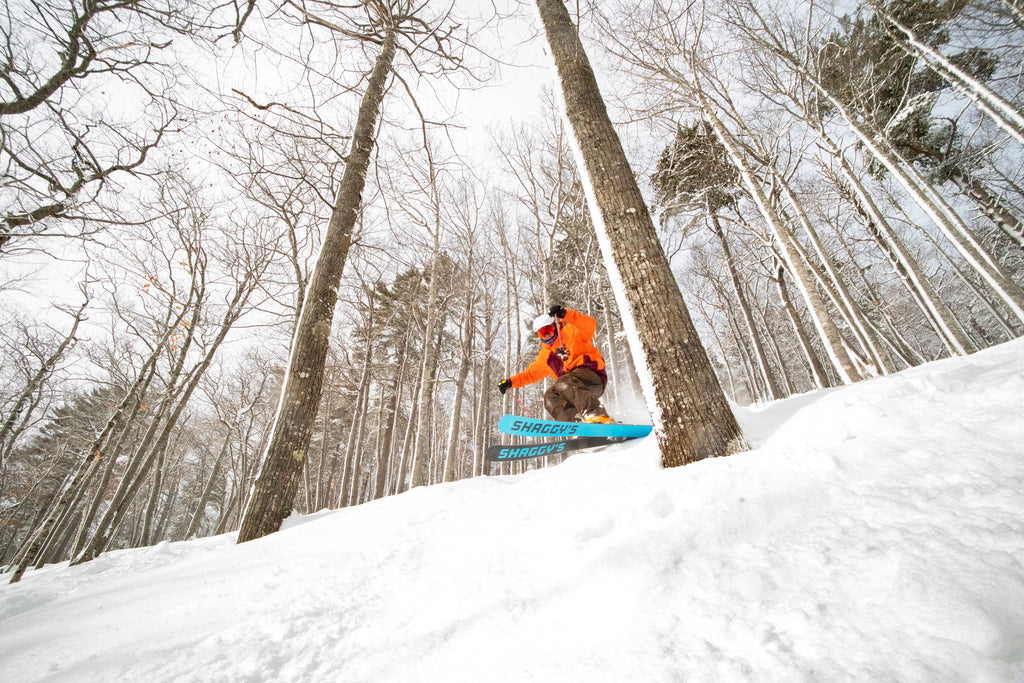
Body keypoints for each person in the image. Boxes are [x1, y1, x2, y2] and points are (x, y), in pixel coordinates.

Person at [498, 305, 614, 424]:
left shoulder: (571, 332)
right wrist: (511, 382)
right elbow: (531, 374)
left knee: (563, 382)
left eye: (548, 330)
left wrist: (566, 314)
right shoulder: (546, 355)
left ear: (555, 325)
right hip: (572, 388)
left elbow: (589, 325)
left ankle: (596, 414)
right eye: (542, 333)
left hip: (592, 377)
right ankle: (575, 425)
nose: (546, 335)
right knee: (550, 396)